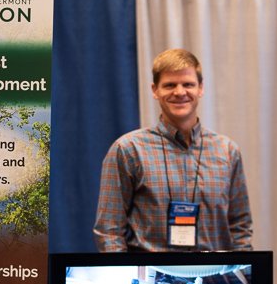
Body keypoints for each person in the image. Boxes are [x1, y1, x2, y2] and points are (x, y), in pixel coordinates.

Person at [94, 48, 253, 252]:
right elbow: (109, 231)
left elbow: (240, 228)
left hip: (215, 271)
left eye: (188, 84)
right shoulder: (128, 150)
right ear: (155, 90)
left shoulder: (227, 151)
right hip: (151, 271)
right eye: (169, 85)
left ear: (201, 88)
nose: (179, 92)